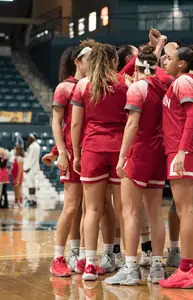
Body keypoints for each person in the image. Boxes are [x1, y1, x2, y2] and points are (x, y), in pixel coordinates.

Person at [104, 45, 167, 286]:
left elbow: (131, 125)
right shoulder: (166, 86)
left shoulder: (138, 88)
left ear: (138, 65)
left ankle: (130, 269)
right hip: (159, 154)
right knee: (154, 213)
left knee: (129, 211)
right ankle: (158, 268)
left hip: (139, 151)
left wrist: (121, 156)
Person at [71, 43, 127, 281]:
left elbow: (75, 125)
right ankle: (121, 259)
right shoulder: (125, 83)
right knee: (123, 210)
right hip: (119, 149)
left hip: (92, 148)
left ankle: (90, 264)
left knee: (92, 209)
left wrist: (76, 154)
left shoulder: (83, 85)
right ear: (115, 62)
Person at [156, 45, 193, 289]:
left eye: (170, 58)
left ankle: (186, 268)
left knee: (185, 210)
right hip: (182, 150)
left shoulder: (183, 82)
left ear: (183, 63)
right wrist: (158, 46)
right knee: (191, 210)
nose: (165, 61)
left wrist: (182, 151)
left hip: (182, 151)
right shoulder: (179, 81)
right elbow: (154, 71)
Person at [48, 43, 91, 277]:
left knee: (88, 208)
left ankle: (81, 254)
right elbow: (57, 123)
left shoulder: (92, 86)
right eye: (88, 59)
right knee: (72, 206)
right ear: (77, 61)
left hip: (91, 151)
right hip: (73, 153)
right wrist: (61, 152)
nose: (92, 63)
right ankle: (58, 257)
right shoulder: (64, 87)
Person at [24, 134, 41, 208]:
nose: (28, 139)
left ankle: (32, 199)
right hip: (33, 167)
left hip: (31, 168)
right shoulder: (36, 145)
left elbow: (32, 158)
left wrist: (27, 168)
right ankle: (32, 199)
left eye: (30, 138)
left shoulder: (33, 146)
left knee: (31, 184)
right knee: (32, 184)